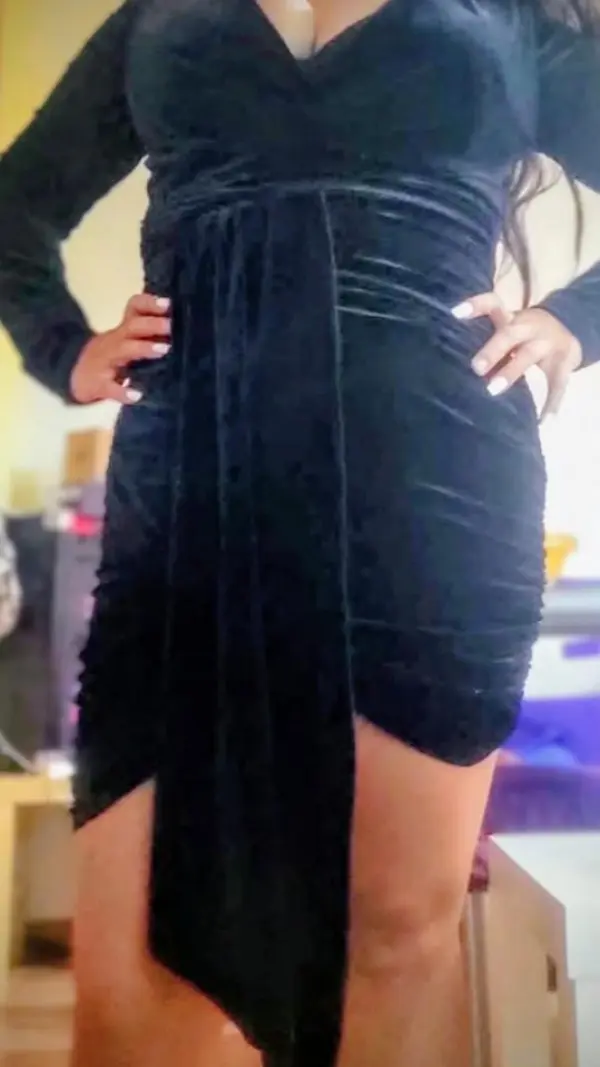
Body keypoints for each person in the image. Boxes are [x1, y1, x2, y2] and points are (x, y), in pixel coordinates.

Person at [0, 1, 598, 1064]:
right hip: (189, 498)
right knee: (135, 975)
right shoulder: (162, 13)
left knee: (394, 939)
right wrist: (64, 348)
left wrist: (573, 325)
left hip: (431, 495)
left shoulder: (506, 16)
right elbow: (13, 205)